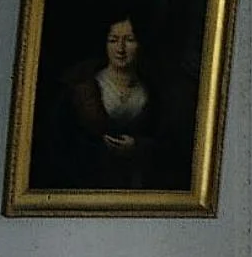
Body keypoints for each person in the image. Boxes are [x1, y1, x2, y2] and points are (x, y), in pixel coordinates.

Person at [60, 13, 182, 189]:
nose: (120, 49)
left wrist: (138, 147)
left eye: (129, 40)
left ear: (141, 44)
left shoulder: (153, 94)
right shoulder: (83, 89)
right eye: (113, 40)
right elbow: (65, 145)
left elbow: (170, 150)